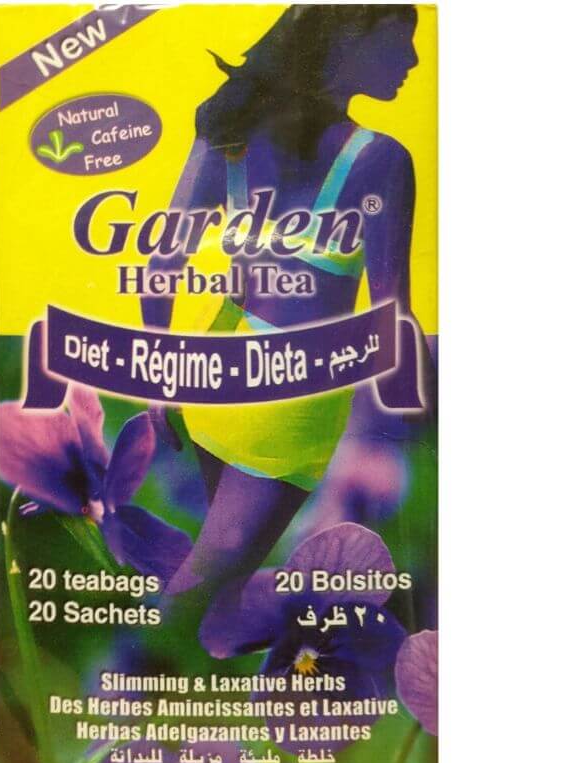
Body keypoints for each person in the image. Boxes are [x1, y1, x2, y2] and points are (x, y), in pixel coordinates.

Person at [142, 4, 427, 605]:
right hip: (291, 400)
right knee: (203, 589)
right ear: (346, 39)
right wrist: (409, 423)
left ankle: (166, 659)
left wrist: (157, 380)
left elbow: (162, 262)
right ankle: (133, 656)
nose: (413, 61)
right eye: (400, 41)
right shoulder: (380, 160)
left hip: (212, 368)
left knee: (220, 582)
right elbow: (393, 315)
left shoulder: (232, 134)